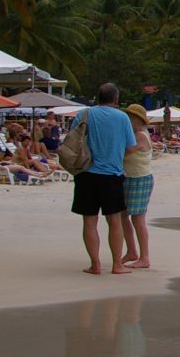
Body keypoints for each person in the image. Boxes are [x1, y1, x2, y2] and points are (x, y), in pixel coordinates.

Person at [68, 83, 139, 275]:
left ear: (97, 97)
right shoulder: (122, 117)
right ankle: (117, 264)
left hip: (86, 173)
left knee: (89, 222)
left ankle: (95, 264)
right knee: (114, 221)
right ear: (116, 99)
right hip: (112, 175)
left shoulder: (84, 114)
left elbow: (72, 141)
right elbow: (130, 146)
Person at [120, 104, 155, 269]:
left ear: (137, 120)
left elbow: (125, 152)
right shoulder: (135, 133)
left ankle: (145, 257)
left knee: (138, 218)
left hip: (140, 179)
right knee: (123, 216)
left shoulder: (140, 135)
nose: (127, 120)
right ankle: (132, 251)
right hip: (130, 178)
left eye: (130, 117)